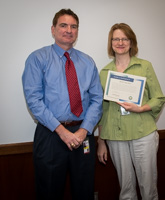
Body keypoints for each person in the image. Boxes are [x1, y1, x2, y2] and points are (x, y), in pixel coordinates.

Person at [22, 8, 103, 200]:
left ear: (77, 31)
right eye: (63, 25)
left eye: (73, 26)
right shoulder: (37, 59)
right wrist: (62, 131)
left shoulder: (87, 61)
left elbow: (97, 99)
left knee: (84, 189)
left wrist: (84, 131)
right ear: (53, 29)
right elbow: (34, 100)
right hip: (51, 134)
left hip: (83, 133)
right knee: (49, 190)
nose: (69, 30)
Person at [97, 23, 165, 200]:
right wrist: (101, 141)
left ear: (131, 42)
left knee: (148, 187)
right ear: (111, 42)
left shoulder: (145, 66)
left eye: (124, 38)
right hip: (115, 137)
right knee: (126, 189)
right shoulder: (104, 72)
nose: (120, 42)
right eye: (116, 39)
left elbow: (159, 98)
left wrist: (141, 108)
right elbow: (102, 109)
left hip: (143, 134)